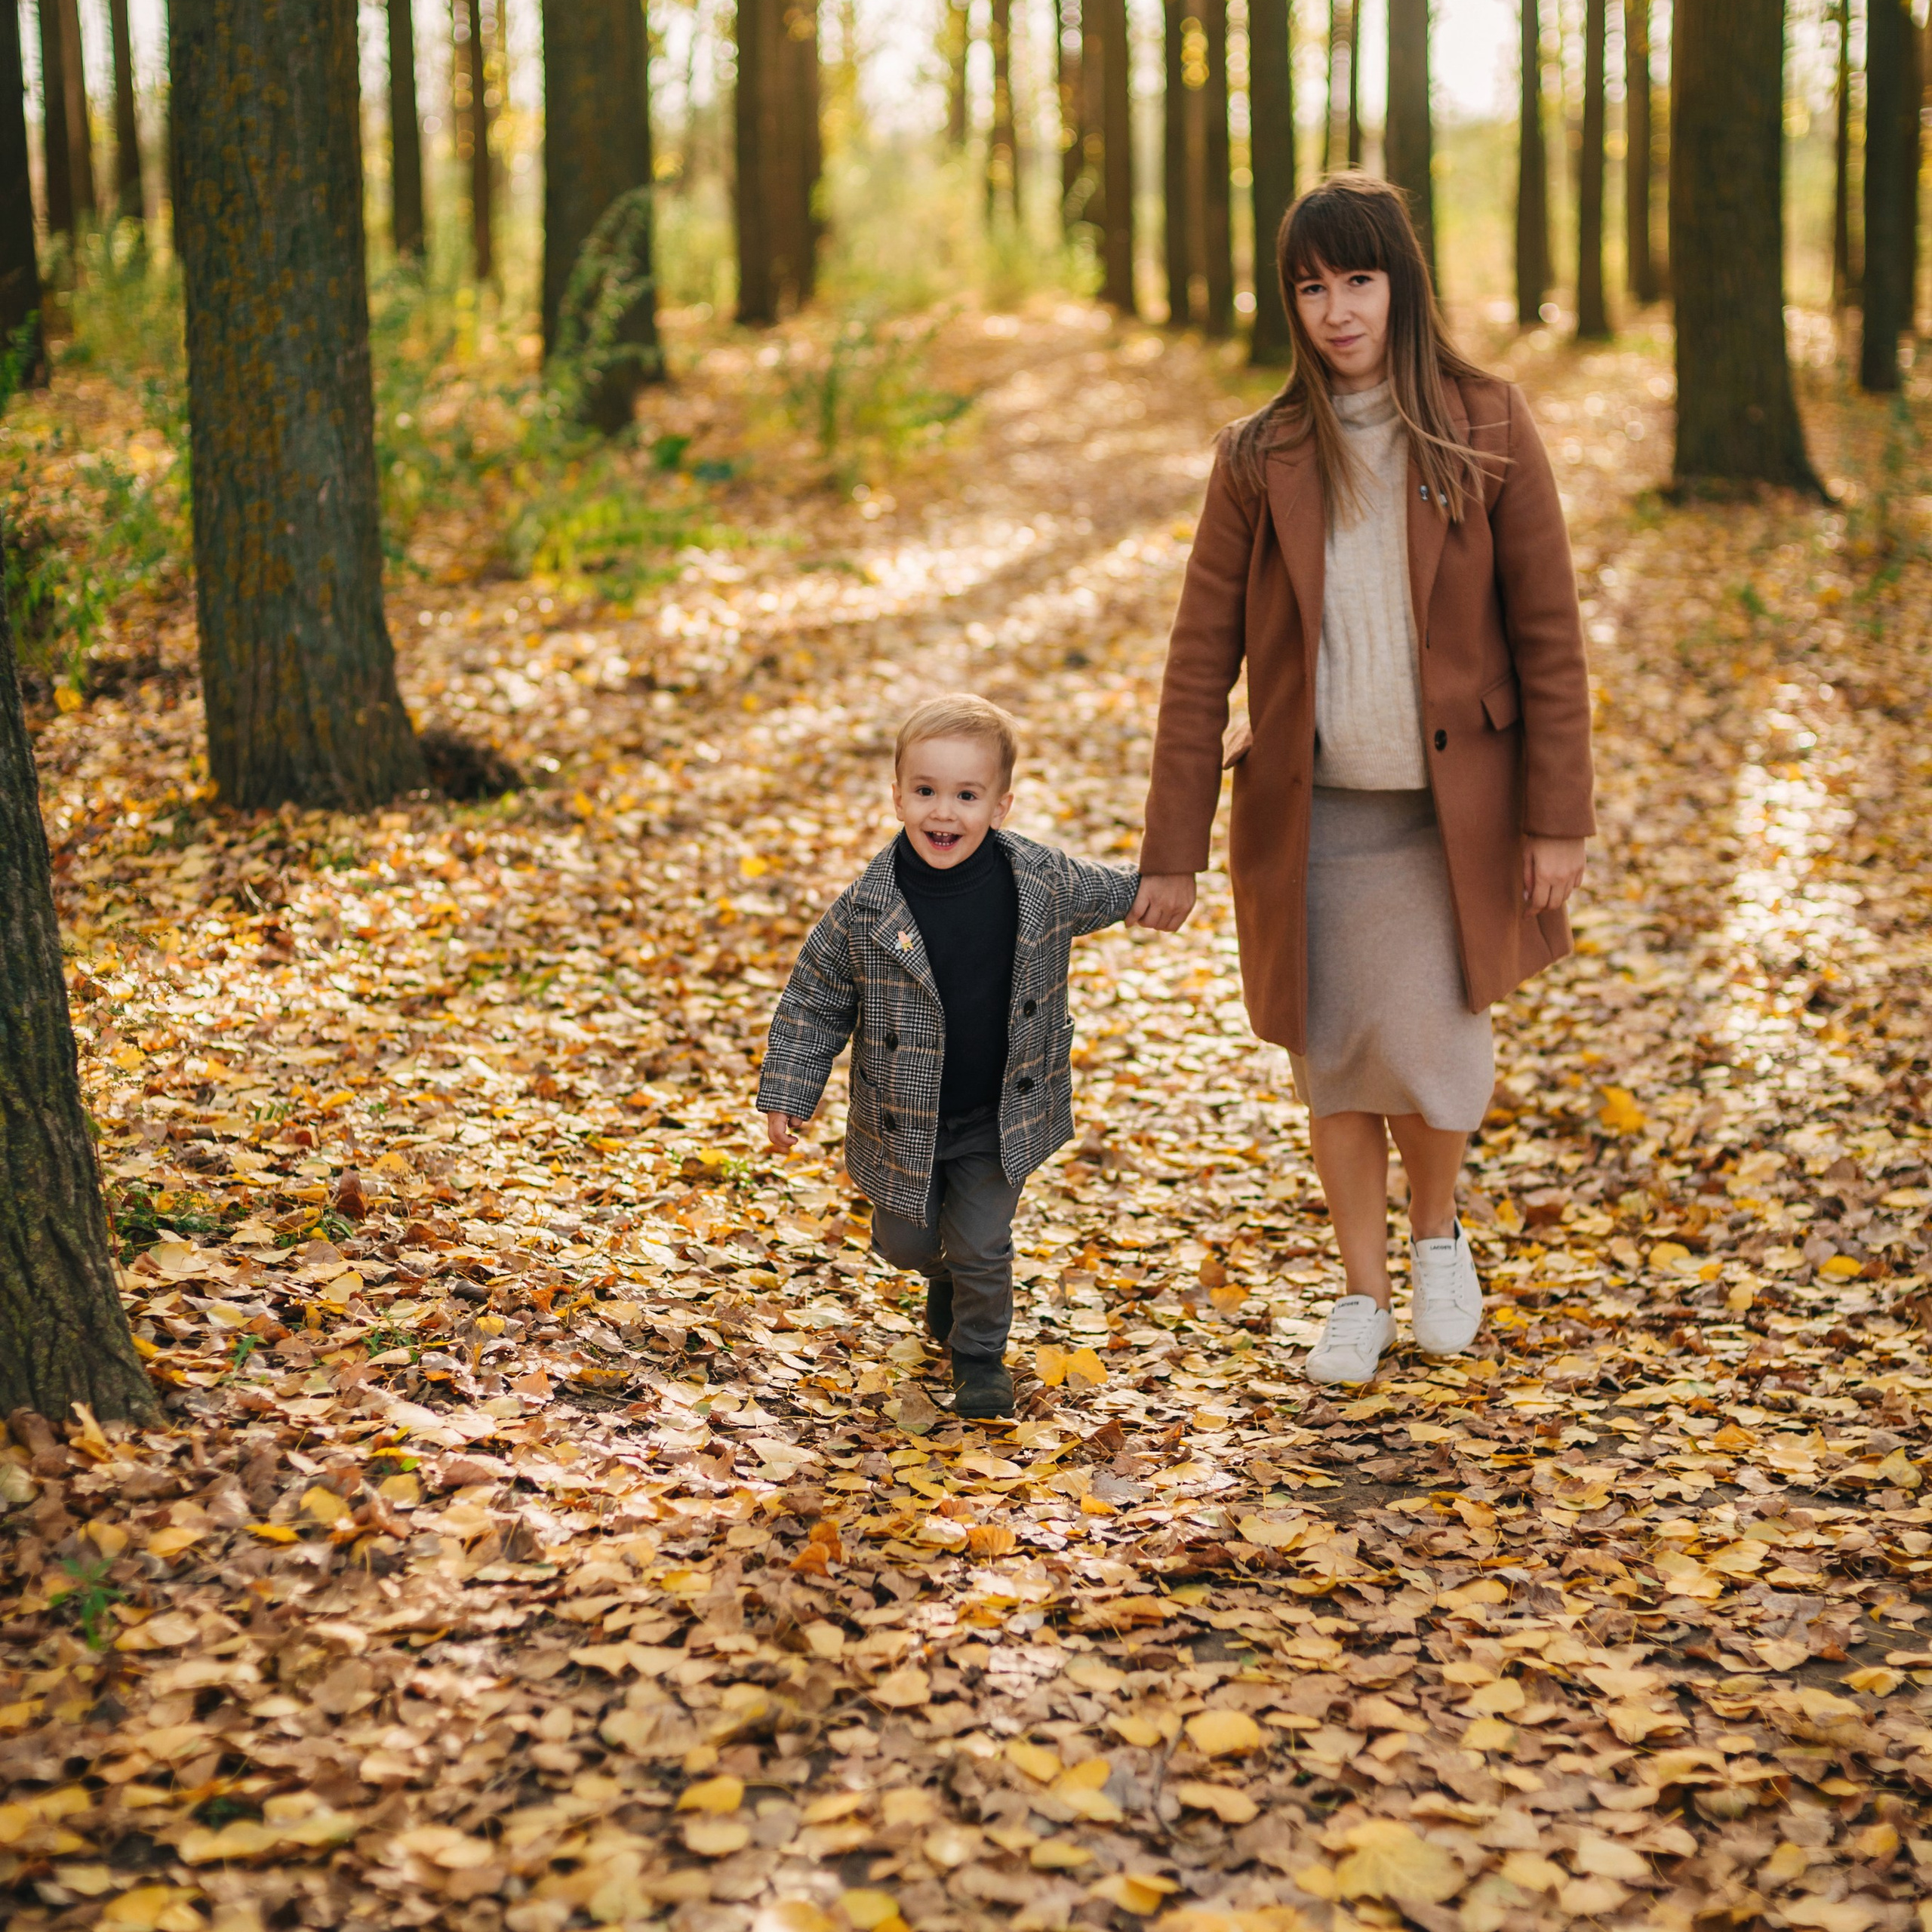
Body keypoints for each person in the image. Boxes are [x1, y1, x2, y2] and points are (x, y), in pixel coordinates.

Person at [1131, 174, 1595, 1387]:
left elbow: (1549, 633)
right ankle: (1360, 1293)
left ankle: (1438, 1242)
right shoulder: (1260, 453)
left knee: (1434, 1057)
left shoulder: (1486, 423)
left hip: (1460, 820)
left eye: (1358, 280)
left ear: (1401, 283)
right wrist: (1170, 846)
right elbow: (1199, 659)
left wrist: (1561, 821)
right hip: (1318, 814)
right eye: (1310, 286)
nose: (1335, 310)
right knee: (1335, 1058)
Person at [758, 694, 1140, 1419]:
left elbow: (1111, 888)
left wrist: (1165, 879)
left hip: (1000, 1111)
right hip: (904, 1119)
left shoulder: (1039, 880)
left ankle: (980, 1360)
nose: (945, 812)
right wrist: (789, 1091)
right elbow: (813, 1000)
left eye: (967, 795)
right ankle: (948, 1275)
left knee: (985, 1242)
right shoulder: (867, 910)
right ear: (898, 794)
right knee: (904, 1243)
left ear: (1000, 805)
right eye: (927, 791)